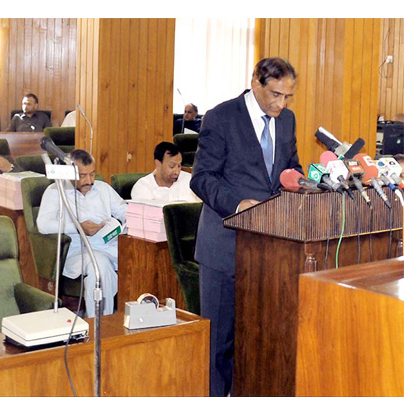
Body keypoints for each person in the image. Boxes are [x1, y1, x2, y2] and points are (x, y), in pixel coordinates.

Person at [190, 57, 303, 397]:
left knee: (257, 339)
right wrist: (239, 206)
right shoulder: (222, 117)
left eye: (287, 96)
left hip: (269, 250)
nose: (281, 104)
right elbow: (202, 178)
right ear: (256, 81)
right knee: (219, 345)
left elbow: (289, 168)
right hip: (224, 246)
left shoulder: (287, 120)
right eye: (275, 94)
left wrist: (305, 181)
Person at [36, 150, 127, 318]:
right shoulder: (56, 191)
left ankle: (126, 319)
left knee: (138, 262)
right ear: (69, 172)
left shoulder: (103, 189)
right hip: (78, 252)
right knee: (98, 265)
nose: (90, 181)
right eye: (83, 176)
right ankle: (98, 323)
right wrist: (77, 227)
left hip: (110, 246)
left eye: (92, 174)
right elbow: (43, 225)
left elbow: (125, 211)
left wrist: (124, 224)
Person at [131, 141, 200, 202]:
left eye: (179, 166)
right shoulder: (142, 187)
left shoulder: (190, 181)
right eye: (172, 166)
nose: (177, 171)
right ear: (158, 164)